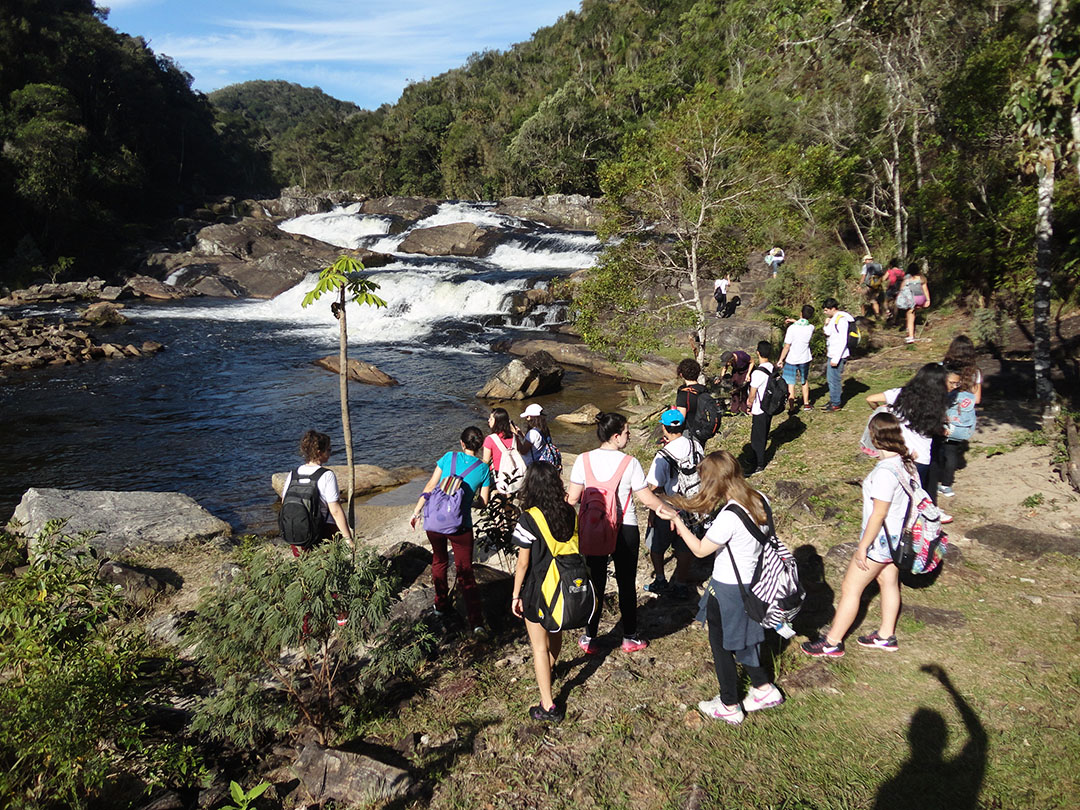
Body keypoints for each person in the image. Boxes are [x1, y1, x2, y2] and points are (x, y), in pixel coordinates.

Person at [661, 450, 785, 723]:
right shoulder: (758, 498)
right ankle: (763, 688)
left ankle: (729, 703)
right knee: (743, 638)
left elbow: (701, 550)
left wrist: (678, 522)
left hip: (730, 587)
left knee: (721, 644)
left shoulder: (730, 516)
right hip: (754, 581)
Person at [802, 412, 921, 658]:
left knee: (851, 588)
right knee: (888, 582)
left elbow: (878, 514)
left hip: (880, 541)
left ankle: (832, 642)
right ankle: (886, 635)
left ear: (876, 437)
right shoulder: (906, 463)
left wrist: (862, 547)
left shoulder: (885, 473)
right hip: (897, 538)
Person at [566, 412, 669, 653]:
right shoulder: (629, 462)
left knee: (595, 583)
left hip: (593, 528)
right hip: (625, 527)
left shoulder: (583, 460)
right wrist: (670, 511)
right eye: (626, 432)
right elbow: (646, 499)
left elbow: (572, 498)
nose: (629, 435)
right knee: (625, 582)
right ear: (615, 436)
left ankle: (589, 637)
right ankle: (629, 637)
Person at [510, 462, 576, 722]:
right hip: (564, 585)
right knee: (556, 632)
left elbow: (523, 562)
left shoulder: (528, 518)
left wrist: (516, 595)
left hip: (538, 588)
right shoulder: (570, 512)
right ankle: (550, 668)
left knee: (538, 646)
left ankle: (548, 705)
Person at [410, 426, 493, 633]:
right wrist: (467, 503)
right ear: (480, 446)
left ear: (462, 443)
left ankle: (440, 605)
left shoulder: (448, 457)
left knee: (439, 561)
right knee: (465, 570)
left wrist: (416, 511)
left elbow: (430, 485)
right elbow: (483, 502)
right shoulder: (484, 469)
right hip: (460, 524)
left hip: (435, 521)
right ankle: (476, 623)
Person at [866, 363, 952, 517]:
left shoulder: (900, 393)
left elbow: (870, 399)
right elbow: (934, 429)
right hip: (921, 457)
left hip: (898, 453)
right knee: (917, 496)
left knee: (898, 496)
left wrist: (886, 414)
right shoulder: (936, 404)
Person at [644, 409, 704, 598]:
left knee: (656, 544)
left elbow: (654, 486)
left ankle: (661, 580)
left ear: (664, 428)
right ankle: (680, 583)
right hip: (692, 504)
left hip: (668, 506)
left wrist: (652, 511)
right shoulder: (696, 446)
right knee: (684, 545)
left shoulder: (663, 455)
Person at [280, 429, 354, 554]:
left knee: (308, 569)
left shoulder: (293, 474)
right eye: (329, 450)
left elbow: (284, 502)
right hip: (323, 532)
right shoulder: (326, 475)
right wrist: (348, 539)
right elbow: (335, 510)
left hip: (297, 534)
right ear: (319, 452)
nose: (331, 453)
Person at [777, 304, 815, 412]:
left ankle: (792, 407)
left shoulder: (792, 329)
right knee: (804, 381)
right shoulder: (811, 328)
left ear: (801, 313)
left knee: (791, 383)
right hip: (805, 358)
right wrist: (795, 321)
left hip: (792, 359)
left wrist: (780, 359)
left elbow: (787, 346)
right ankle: (806, 404)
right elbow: (803, 325)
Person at [481, 406, 531, 489]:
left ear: (497, 422)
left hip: (497, 475)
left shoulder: (490, 439)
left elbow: (485, 462)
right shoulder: (514, 436)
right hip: (514, 474)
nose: (488, 420)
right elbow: (522, 451)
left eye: (491, 419)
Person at [821, 298, 854, 412]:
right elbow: (828, 333)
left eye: (826, 310)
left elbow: (843, 340)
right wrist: (826, 324)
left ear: (833, 308)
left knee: (834, 379)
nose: (825, 312)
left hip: (838, 355)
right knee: (831, 378)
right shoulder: (833, 319)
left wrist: (836, 358)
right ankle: (833, 400)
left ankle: (836, 404)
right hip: (832, 352)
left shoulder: (841, 319)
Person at [747, 341, 776, 474]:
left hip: (759, 408)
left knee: (757, 437)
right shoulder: (772, 368)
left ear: (758, 352)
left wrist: (749, 404)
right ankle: (756, 459)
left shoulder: (757, 373)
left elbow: (752, 394)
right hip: (769, 406)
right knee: (763, 433)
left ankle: (759, 464)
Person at [897, 264, 931, 343]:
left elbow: (902, 291)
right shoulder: (922, 279)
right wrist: (928, 300)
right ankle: (909, 332)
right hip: (921, 299)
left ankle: (910, 336)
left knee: (910, 316)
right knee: (913, 311)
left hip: (912, 300)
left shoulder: (906, 280)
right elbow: (925, 290)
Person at [521, 403, 560, 470]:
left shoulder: (533, 433)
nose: (526, 419)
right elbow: (532, 442)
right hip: (541, 463)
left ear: (532, 417)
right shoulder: (543, 429)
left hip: (532, 466)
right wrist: (520, 434)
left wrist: (515, 437)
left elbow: (523, 451)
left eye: (527, 416)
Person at [718, 350, 754, 415]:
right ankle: (734, 409)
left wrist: (748, 374)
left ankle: (744, 409)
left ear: (732, 359)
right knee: (734, 389)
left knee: (743, 389)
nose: (728, 364)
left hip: (746, 370)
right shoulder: (728, 360)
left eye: (728, 362)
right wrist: (720, 378)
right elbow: (724, 369)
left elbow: (752, 362)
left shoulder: (742, 356)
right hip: (737, 370)